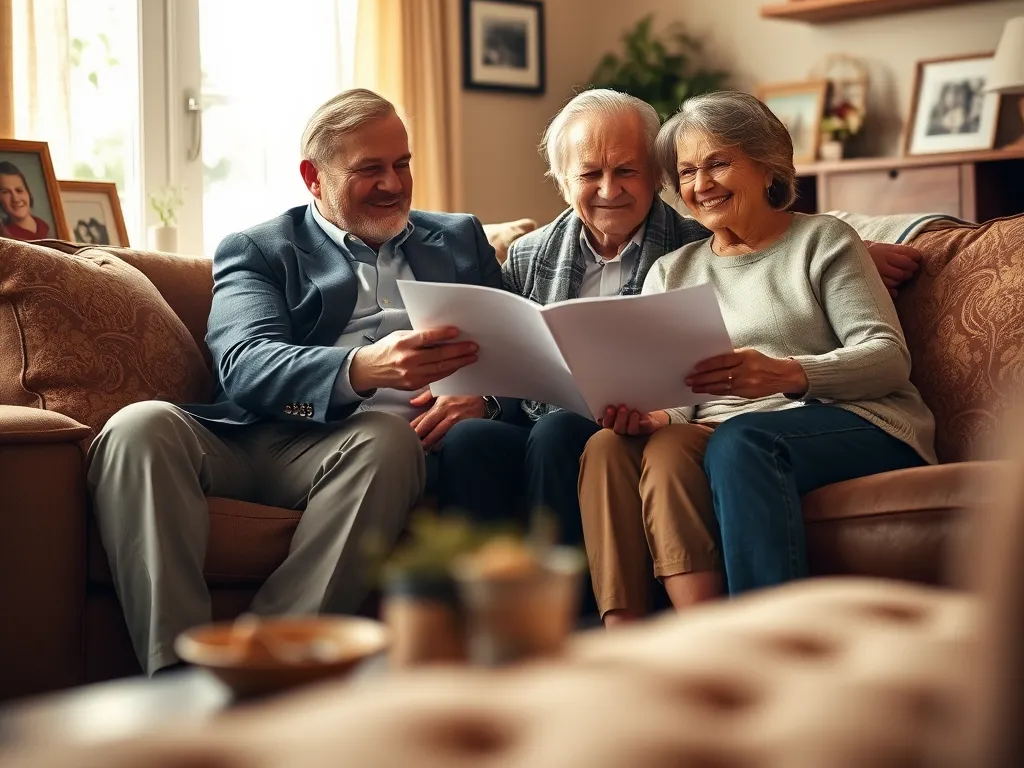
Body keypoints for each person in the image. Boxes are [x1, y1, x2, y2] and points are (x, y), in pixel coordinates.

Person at [87, 89, 508, 675]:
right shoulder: (261, 248)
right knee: (137, 427)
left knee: (387, 442)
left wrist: (485, 397)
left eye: (402, 164)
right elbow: (244, 360)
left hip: (370, 449)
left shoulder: (460, 241)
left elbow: (522, 348)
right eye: (370, 169)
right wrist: (361, 368)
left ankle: (268, 664)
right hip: (250, 436)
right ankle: (176, 677)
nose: (393, 183)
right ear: (314, 177)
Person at [434, 89, 923, 555]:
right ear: (563, 182)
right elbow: (509, 348)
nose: (609, 190)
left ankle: (573, 607)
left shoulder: (695, 239)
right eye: (589, 174)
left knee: (561, 434)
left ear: (654, 177)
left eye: (626, 170)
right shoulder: (528, 253)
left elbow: (772, 234)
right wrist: (483, 396)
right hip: (554, 412)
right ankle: (481, 609)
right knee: (471, 439)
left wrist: (862, 246)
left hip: (612, 424)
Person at [580, 91, 936, 622]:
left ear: (768, 165)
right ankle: (636, 633)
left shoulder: (825, 242)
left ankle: (768, 632)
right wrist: (656, 414)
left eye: (719, 163)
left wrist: (787, 373)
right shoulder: (671, 271)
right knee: (613, 446)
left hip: (855, 421)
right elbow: (680, 393)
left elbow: (888, 358)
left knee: (740, 442)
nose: (701, 184)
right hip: (724, 430)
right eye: (687, 171)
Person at [0, 161, 52, 241]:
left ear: (28, 193)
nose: (15, 199)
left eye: (19, 190)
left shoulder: (46, 227)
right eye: (6, 192)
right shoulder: (4, 237)